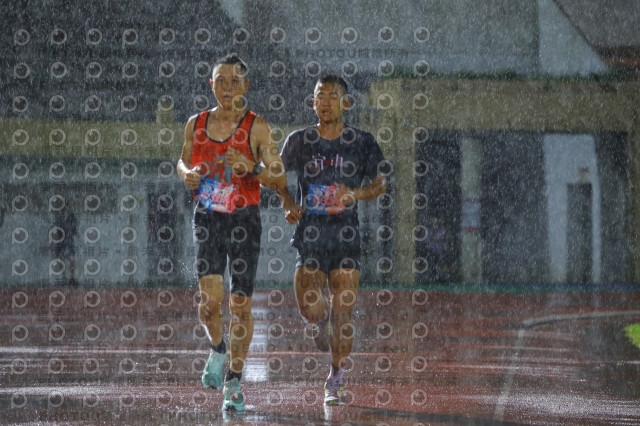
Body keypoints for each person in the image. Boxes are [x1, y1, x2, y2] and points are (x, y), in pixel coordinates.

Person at [177, 53, 293, 412]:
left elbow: (278, 177)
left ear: (246, 86)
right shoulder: (196, 124)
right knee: (209, 303)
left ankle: (234, 380)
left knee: (240, 304)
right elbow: (182, 161)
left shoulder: (257, 127)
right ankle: (217, 349)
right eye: (221, 81)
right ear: (211, 85)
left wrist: (251, 167)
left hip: (244, 221)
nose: (227, 87)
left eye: (235, 81)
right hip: (208, 217)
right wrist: (187, 174)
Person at [280, 73, 387, 405]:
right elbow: (274, 173)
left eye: (331, 96)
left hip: (345, 238)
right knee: (311, 308)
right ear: (313, 102)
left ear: (346, 102)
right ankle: (317, 321)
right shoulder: (299, 140)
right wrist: (288, 202)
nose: (324, 102)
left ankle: (336, 379)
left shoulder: (362, 141)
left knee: (343, 316)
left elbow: (380, 184)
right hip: (310, 237)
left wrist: (354, 194)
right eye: (319, 96)